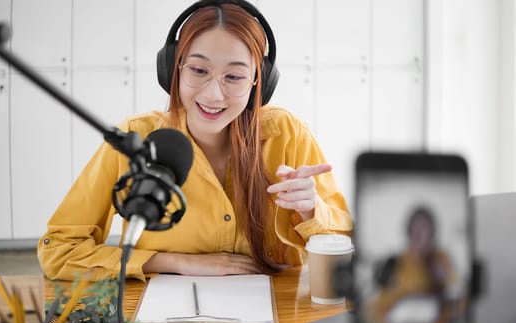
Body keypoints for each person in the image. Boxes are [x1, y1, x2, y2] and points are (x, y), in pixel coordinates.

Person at [37, 0, 353, 281]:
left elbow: (349, 254)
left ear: (259, 80)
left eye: (234, 76)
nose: (214, 94)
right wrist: (174, 263)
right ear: (173, 68)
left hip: (278, 320)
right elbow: (60, 251)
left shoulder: (288, 134)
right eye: (199, 70)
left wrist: (313, 212)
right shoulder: (135, 140)